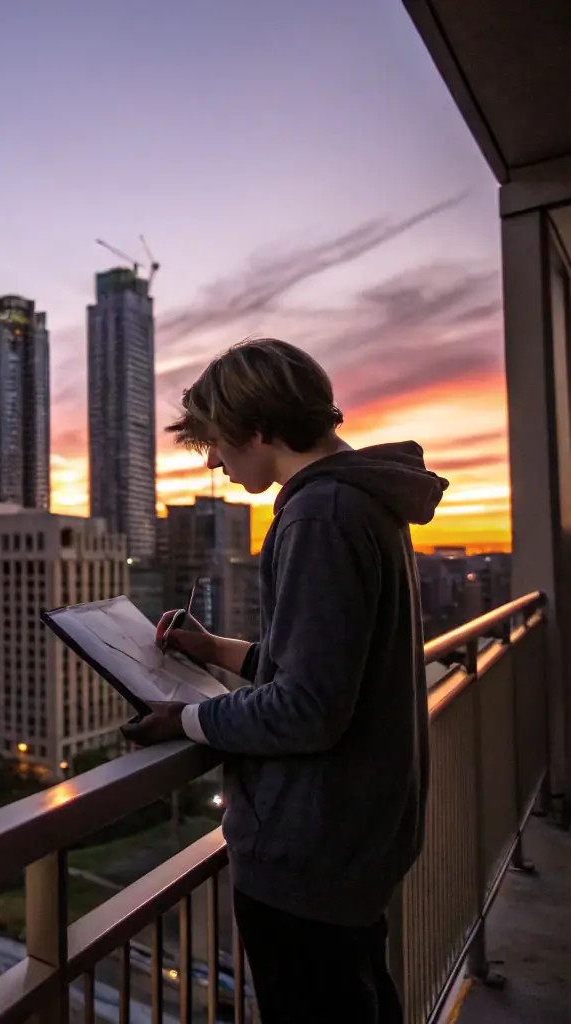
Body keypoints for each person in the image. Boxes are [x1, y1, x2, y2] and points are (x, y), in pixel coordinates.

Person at [121, 338, 446, 1024]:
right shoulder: (358, 504)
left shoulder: (318, 516)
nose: (211, 461)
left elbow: (307, 708)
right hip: (355, 829)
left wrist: (181, 720)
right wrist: (217, 650)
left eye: (216, 441)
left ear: (258, 429)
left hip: (312, 843)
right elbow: (327, 662)